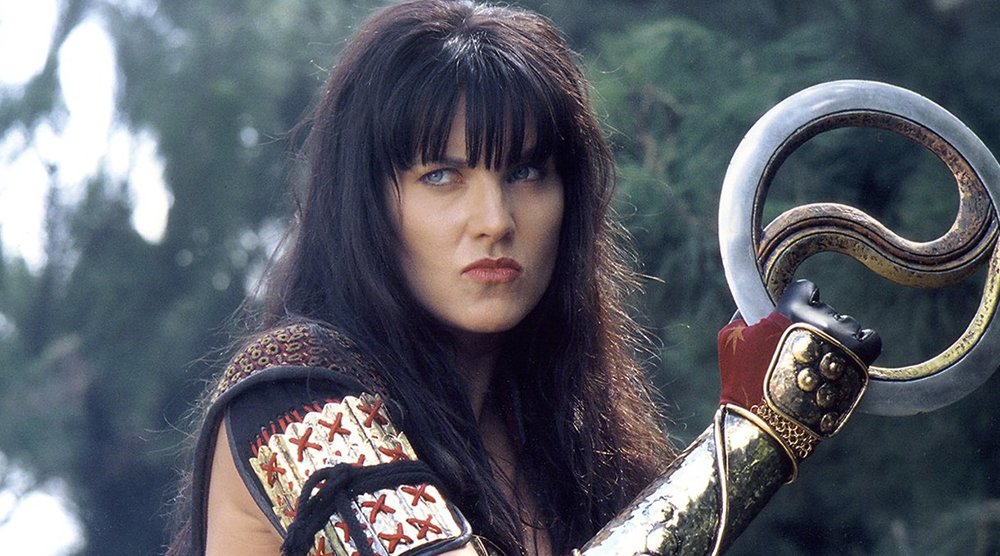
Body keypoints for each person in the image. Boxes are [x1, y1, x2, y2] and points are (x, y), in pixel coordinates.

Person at [165, 1, 881, 555]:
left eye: (527, 171)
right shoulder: (292, 395)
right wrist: (755, 436)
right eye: (441, 176)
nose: (495, 220)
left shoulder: (572, 444)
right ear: (368, 207)